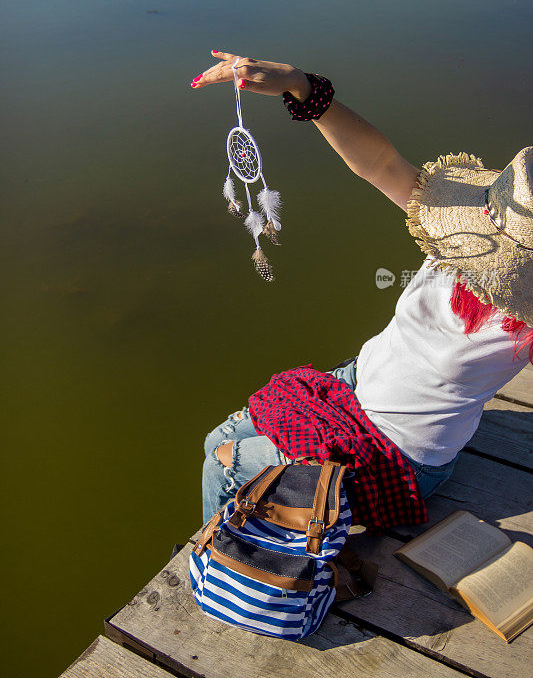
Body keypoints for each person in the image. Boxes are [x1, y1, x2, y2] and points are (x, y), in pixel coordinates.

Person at [191, 51, 533, 525]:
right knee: (216, 439)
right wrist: (299, 85)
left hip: (397, 452)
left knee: (222, 465)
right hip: (357, 383)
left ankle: (216, 561)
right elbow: (379, 161)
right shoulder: (465, 233)